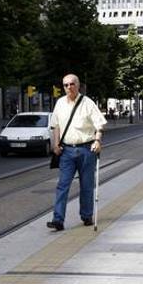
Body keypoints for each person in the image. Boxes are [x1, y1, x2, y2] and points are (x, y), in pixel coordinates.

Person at [47, 74, 107, 232]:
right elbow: (56, 126)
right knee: (62, 185)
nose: (68, 87)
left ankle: (87, 215)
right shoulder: (60, 103)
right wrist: (56, 144)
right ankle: (58, 220)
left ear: (78, 85)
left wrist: (97, 141)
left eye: (72, 84)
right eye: (65, 85)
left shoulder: (88, 103)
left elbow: (99, 125)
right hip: (66, 151)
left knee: (86, 185)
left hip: (86, 149)